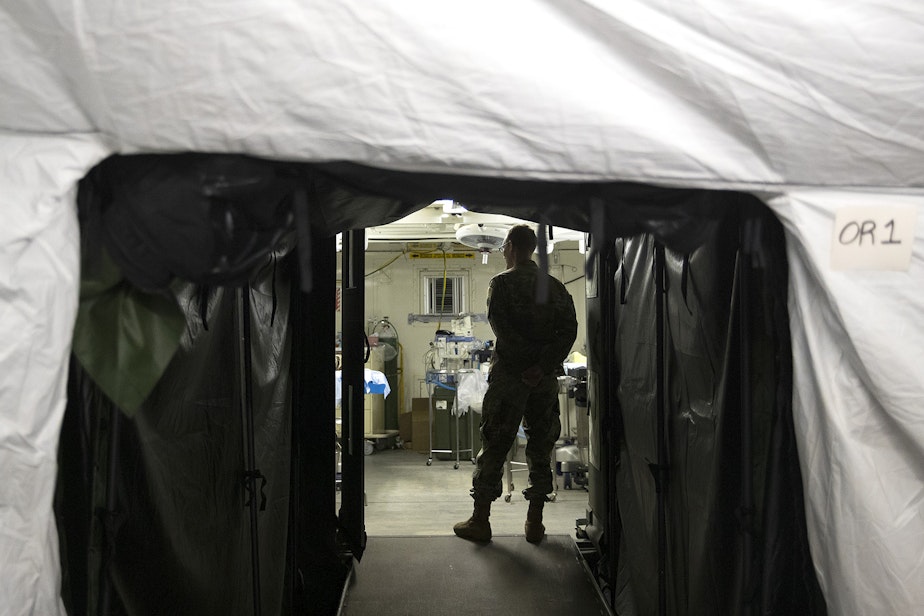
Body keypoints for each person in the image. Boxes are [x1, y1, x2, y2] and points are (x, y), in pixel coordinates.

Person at [453, 224, 578, 544]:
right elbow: (568, 331)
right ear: (532, 248)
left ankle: (481, 520)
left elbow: (501, 328)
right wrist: (542, 366)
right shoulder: (555, 287)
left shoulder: (502, 284)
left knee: (495, 442)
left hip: (510, 377)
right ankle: (534, 522)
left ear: (509, 246)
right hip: (543, 381)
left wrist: (524, 365)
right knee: (540, 445)